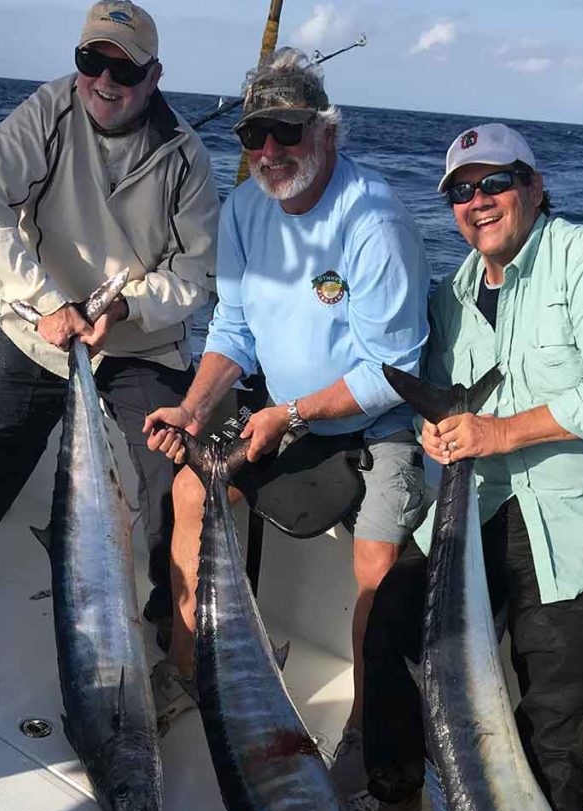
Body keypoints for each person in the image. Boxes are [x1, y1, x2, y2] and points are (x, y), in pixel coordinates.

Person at [357, 122, 583, 811]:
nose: (479, 201)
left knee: (554, 717)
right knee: (392, 623)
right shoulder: (453, 295)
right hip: (484, 509)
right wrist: (432, 432)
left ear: (533, 187)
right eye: (462, 192)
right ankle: (396, 788)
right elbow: (433, 401)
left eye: (495, 182)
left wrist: (500, 431)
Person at [143, 48, 430, 772]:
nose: (270, 152)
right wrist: (194, 407)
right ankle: (185, 668)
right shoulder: (244, 208)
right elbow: (233, 331)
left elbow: (394, 375)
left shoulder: (374, 222)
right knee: (189, 488)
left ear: (328, 133)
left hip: (377, 423)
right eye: (253, 136)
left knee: (378, 568)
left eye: (288, 132)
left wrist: (290, 414)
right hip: (282, 411)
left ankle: (366, 739)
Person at [0, 1, 220, 668]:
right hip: (42, 332)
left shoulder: (186, 157)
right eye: (91, 61)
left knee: (172, 484)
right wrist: (49, 303)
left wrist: (129, 308)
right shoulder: (48, 112)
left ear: (155, 74)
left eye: (123, 68)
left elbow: (196, 273)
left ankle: (176, 640)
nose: (104, 80)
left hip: (137, 342)